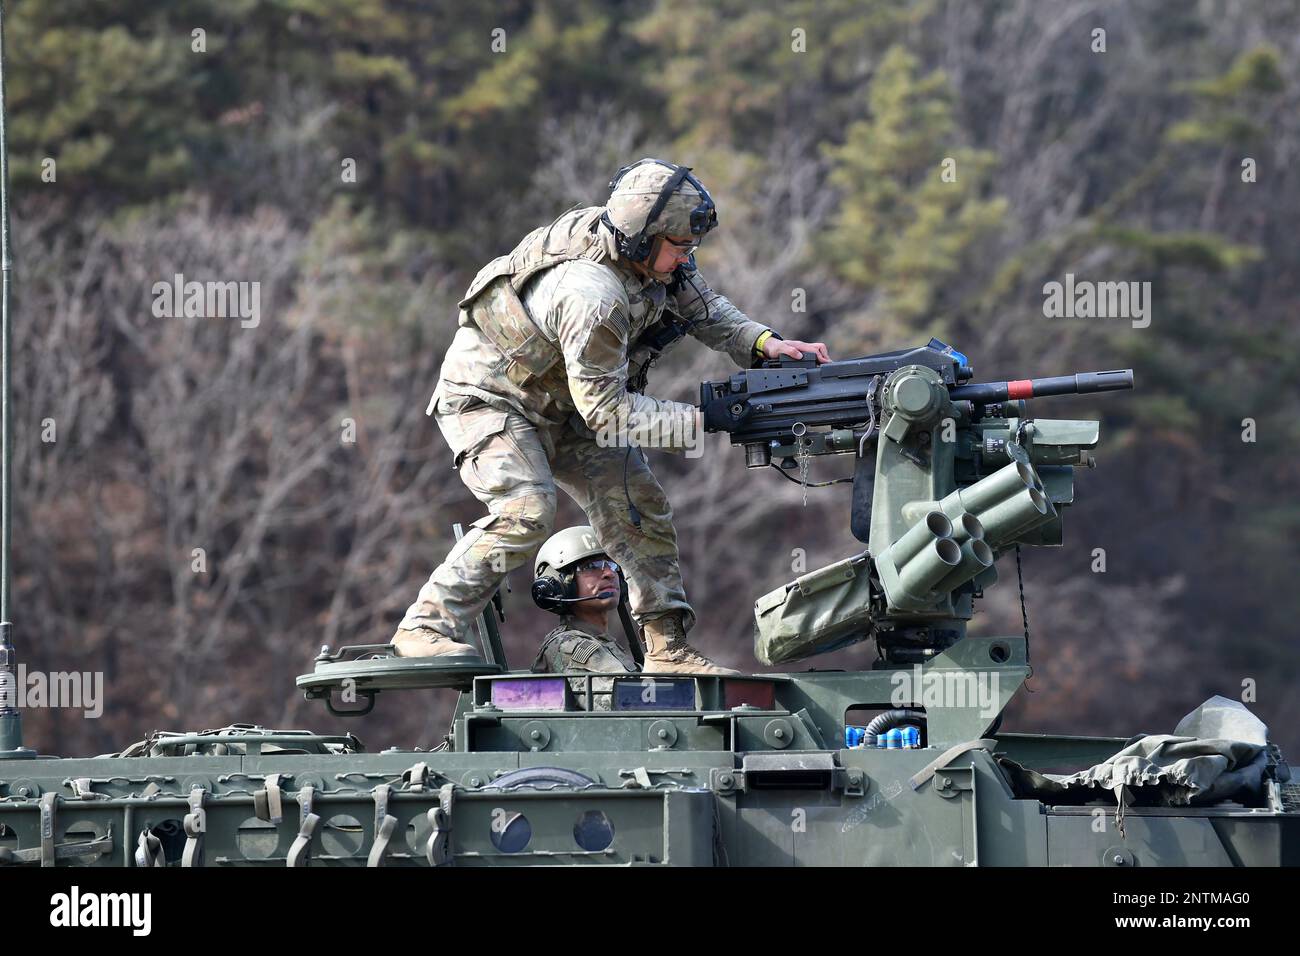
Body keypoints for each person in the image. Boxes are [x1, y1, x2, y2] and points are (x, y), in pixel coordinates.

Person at [392, 157, 829, 673]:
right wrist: (706, 420)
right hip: (492, 400)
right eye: (681, 247)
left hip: (566, 404)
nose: (688, 256)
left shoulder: (647, 250)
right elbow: (608, 412)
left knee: (638, 502)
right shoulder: (592, 295)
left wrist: (764, 343)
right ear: (645, 240)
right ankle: (426, 627)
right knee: (528, 510)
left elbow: (704, 309)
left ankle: (665, 649)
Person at [528, 526, 637, 710]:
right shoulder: (570, 646)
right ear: (560, 585)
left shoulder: (604, 641)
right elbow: (633, 703)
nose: (609, 573)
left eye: (612, 564)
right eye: (591, 566)